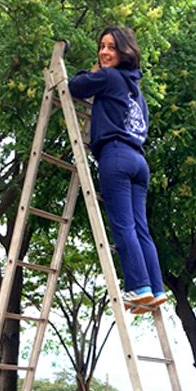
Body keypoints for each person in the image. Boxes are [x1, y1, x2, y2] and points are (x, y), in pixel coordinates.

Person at [68, 27, 166, 314]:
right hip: (138, 161)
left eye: (111, 47)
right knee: (140, 228)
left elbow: (76, 87)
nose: (104, 52)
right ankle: (155, 288)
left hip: (116, 156)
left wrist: (91, 70)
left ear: (125, 52)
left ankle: (138, 287)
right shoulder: (138, 94)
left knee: (123, 226)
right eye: (102, 46)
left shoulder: (108, 76)